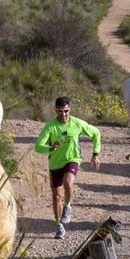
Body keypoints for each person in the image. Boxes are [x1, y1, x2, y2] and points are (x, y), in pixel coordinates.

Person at [35, 97, 102, 239]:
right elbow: (38, 146)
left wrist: (95, 153)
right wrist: (50, 148)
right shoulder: (50, 126)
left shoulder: (77, 123)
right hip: (55, 164)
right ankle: (59, 225)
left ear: (69, 109)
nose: (63, 114)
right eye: (60, 111)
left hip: (73, 159)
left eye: (66, 111)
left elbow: (96, 133)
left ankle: (68, 206)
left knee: (68, 183)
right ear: (56, 110)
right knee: (56, 195)